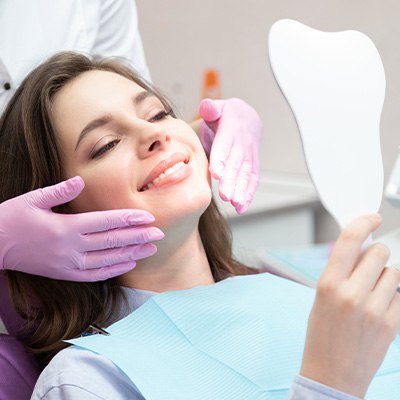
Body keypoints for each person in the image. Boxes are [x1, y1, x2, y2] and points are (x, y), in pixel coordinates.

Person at [1, 52, 399, 399]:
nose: (154, 133)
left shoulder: (309, 301)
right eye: (106, 144)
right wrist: (328, 384)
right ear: (58, 212)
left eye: (158, 113)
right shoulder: (88, 380)